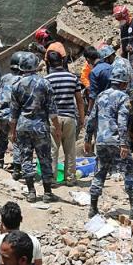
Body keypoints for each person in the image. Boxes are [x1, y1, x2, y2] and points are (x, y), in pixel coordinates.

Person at [85, 62, 133, 219]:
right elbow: (122, 122)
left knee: (99, 173)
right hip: (117, 141)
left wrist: (87, 139)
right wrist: (125, 143)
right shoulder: (123, 97)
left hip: (101, 141)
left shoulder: (101, 95)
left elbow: (91, 119)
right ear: (124, 82)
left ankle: (93, 208)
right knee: (129, 172)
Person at [10, 52, 61, 203]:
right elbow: (52, 110)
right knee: (44, 158)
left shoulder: (16, 86)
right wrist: (57, 128)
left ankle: (31, 192)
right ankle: (47, 193)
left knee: (26, 157)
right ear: (35, 66)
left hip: (23, 126)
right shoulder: (44, 84)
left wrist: (12, 132)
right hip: (40, 127)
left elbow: (13, 114)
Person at [45, 50, 83, 185]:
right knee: (70, 149)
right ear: (62, 61)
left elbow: (45, 102)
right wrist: (82, 118)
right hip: (69, 118)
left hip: (53, 119)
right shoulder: (73, 78)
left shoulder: (47, 79)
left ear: (49, 63)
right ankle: (70, 179)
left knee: (53, 150)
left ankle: (52, 180)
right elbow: (79, 100)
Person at [0, 54, 22, 177]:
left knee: (2, 138)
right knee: (17, 141)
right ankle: (17, 169)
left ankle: (0, 161)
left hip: (3, 115)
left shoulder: (4, 78)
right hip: (18, 117)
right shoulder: (23, 80)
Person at [87, 45, 115, 112]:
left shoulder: (94, 72)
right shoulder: (112, 67)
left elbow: (93, 95)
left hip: (104, 106)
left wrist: (89, 112)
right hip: (116, 102)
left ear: (88, 59)